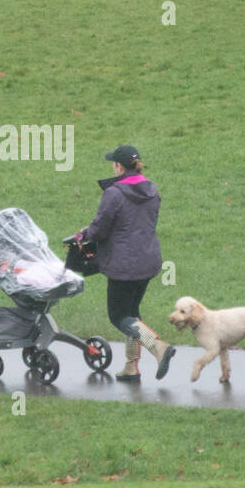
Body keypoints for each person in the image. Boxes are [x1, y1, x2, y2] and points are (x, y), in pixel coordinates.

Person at [76, 145, 175, 382]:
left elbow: (100, 230)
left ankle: (158, 347)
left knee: (118, 316)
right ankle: (131, 367)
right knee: (131, 314)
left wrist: (84, 234)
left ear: (118, 166)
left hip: (124, 266)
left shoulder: (114, 193)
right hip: (148, 261)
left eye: (113, 163)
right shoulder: (151, 188)